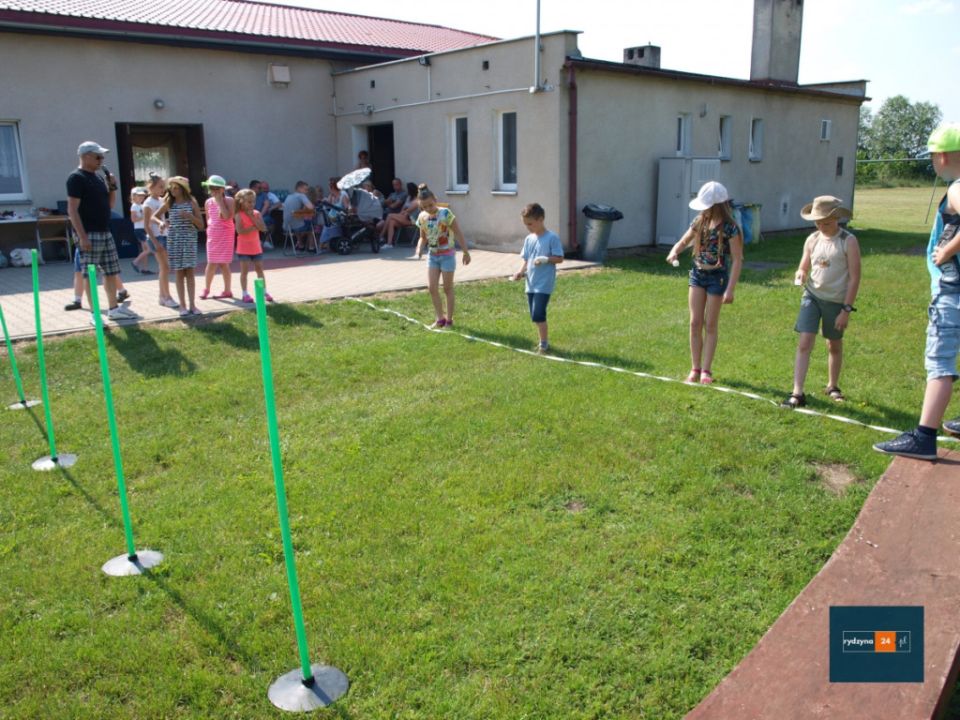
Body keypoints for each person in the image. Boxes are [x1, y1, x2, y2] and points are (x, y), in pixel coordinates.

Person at [874, 123, 960, 460]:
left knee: (940, 362)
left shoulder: (957, 187)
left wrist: (947, 250)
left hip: (951, 293)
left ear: (942, 157)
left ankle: (924, 437)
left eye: (933, 157)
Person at [780, 197, 861, 409]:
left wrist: (846, 310)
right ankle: (797, 392)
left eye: (826, 222)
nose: (821, 226)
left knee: (833, 344)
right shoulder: (812, 239)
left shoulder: (848, 241)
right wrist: (800, 274)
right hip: (812, 296)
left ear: (837, 218)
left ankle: (833, 386)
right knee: (804, 342)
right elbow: (803, 266)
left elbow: (854, 278)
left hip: (836, 301)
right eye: (817, 222)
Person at [665, 181, 743, 384]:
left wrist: (730, 289)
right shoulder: (699, 221)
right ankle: (695, 368)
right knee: (695, 323)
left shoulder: (730, 228)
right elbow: (683, 241)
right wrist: (674, 251)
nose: (703, 209)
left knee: (710, 324)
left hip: (717, 278)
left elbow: (737, 259)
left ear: (716, 205)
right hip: (697, 276)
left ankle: (706, 371)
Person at [66, 141, 138, 322]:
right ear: (86, 156)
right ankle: (95, 314)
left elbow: (110, 205)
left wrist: (112, 186)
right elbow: (72, 210)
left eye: (102, 157)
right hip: (88, 233)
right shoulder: (76, 178)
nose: (101, 160)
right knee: (90, 274)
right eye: (98, 157)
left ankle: (113, 309)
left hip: (105, 231)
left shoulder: (98, 178)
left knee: (111, 272)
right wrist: (82, 236)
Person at [510, 203, 564, 353]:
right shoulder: (529, 239)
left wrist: (546, 259)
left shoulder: (552, 238)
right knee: (534, 316)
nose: (528, 227)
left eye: (530, 224)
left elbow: (560, 258)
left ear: (541, 219)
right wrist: (520, 272)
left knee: (538, 313)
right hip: (531, 283)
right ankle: (542, 341)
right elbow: (526, 260)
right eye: (525, 224)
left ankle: (543, 344)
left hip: (544, 283)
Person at [415, 184, 470, 328]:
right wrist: (419, 248)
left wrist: (465, 252)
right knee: (432, 288)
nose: (428, 209)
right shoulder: (422, 217)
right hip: (433, 256)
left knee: (447, 288)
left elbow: (458, 232)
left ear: (435, 199)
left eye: (430, 205)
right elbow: (423, 237)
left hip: (447, 256)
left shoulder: (445, 213)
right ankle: (440, 319)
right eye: (425, 207)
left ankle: (449, 320)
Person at [153, 175, 204, 316]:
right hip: (174, 241)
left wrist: (190, 216)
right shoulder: (169, 202)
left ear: (183, 189)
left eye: (176, 188)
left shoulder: (191, 202)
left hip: (189, 240)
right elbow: (154, 216)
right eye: (171, 188)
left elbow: (201, 225)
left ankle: (192, 305)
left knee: (190, 273)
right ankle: (182, 305)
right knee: (179, 273)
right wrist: (161, 223)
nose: (173, 190)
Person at [233, 188, 274, 304]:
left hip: (256, 247)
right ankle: (245, 293)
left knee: (259, 270)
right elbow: (240, 231)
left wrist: (252, 218)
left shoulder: (257, 213)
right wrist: (255, 227)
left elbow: (263, 228)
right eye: (249, 202)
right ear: (242, 202)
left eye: (253, 201)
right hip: (244, 248)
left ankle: (264, 291)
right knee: (244, 271)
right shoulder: (238, 215)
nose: (252, 204)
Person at [143, 173, 177, 308]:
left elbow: (161, 218)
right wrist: (155, 242)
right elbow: (147, 225)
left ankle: (162, 297)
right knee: (165, 267)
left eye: (164, 186)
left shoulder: (161, 200)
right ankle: (167, 297)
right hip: (156, 238)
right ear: (151, 187)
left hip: (163, 236)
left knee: (164, 268)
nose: (163, 189)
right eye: (160, 186)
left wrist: (166, 223)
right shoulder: (148, 203)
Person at [200, 175, 235, 300]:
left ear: (222, 189)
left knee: (223, 264)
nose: (213, 191)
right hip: (213, 236)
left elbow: (227, 217)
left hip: (226, 235)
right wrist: (209, 232)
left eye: (216, 188)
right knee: (211, 263)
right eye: (211, 188)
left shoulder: (229, 200)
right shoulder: (208, 202)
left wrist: (220, 201)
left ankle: (227, 290)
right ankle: (206, 288)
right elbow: (208, 219)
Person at [378, 182, 419, 247]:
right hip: (405, 217)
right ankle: (389, 244)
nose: (407, 191)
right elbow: (403, 208)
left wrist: (402, 213)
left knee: (390, 215)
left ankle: (381, 235)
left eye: (408, 190)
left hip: (413, 220)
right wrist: (401, 213)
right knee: (392, 221)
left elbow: (408, 210)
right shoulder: (409, 198)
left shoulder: (417, 201)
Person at [282, 180, 316, 251]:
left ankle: (301, 245)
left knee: (298, 222)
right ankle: (311, 247)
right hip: (297, 227)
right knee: (312, 225)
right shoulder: (301, 195)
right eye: (305, 189)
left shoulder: (289, 196)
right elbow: (311, 207)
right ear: (299, 188)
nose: (306, 192)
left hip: (286, 226)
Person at [129, 187, 155, 275]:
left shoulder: (142, 205)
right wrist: (144, 217)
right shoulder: (134, 206)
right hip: (139, 230)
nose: (141, 197)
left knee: (145, 250)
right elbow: (133, 219)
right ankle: (135, 262)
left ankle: (145, 269)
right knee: (149, 249)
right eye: (139, 195)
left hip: (144, 229)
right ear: (133, 196)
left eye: (142, 195)